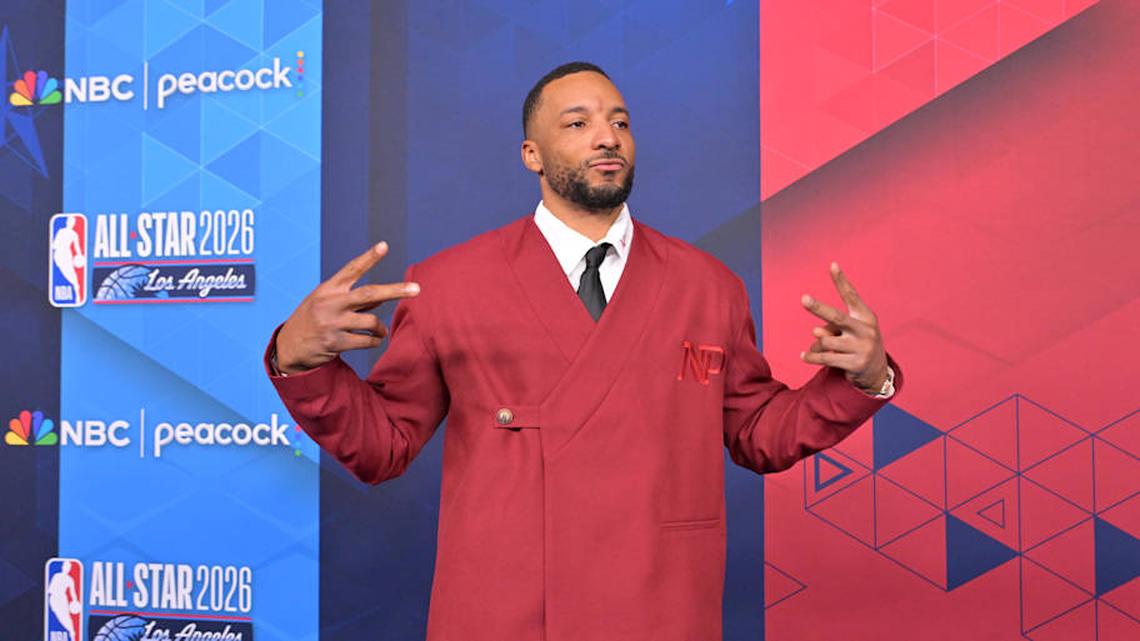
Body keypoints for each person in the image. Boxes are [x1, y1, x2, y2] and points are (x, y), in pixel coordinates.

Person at [266, 61, 901, 641]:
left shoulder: (709, 286)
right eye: (579, 123)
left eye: (619, 121)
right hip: (505, 612)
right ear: (531, 155)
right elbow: (384, 445)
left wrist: (860, 380)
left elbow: (760, 433)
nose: (607, 136)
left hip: (662, 610)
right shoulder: (450, 285)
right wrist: (301, 361)